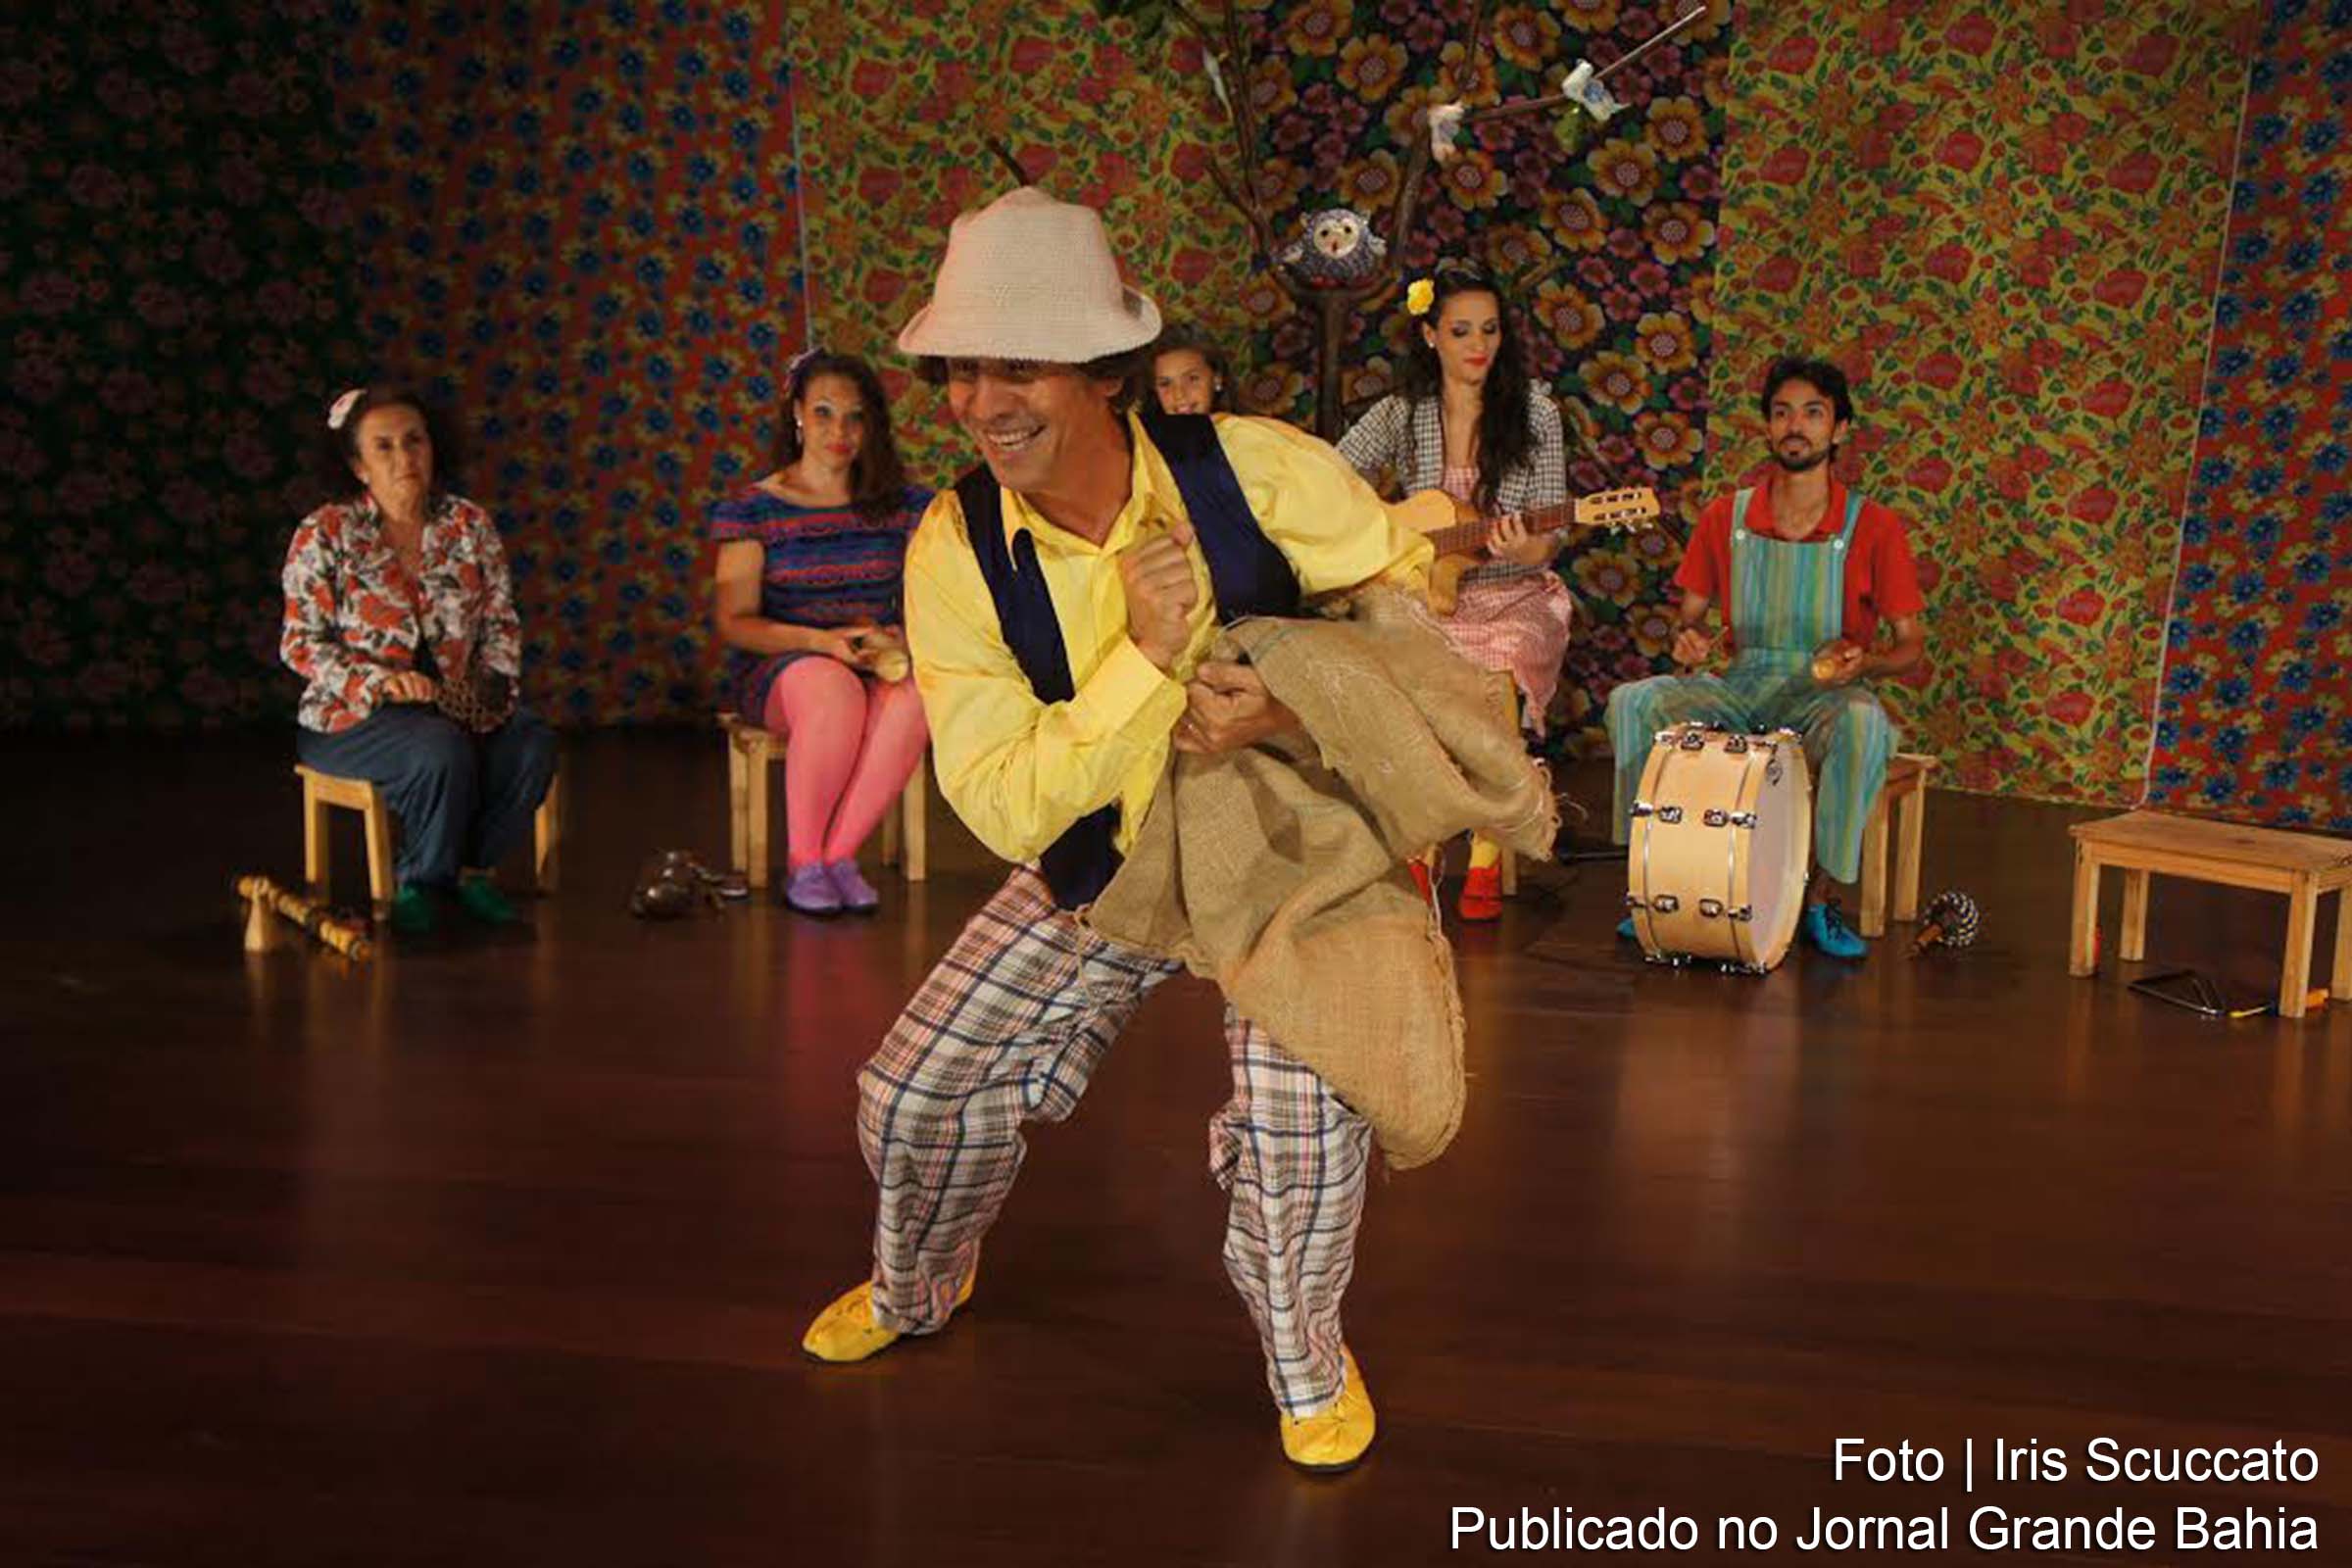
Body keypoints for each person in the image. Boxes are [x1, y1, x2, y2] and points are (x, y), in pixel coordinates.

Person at [798, 187, 1436, 1474]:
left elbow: (1410, 610)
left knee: (1301, 1133)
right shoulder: (954, 550)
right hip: (1114, 850)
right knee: (916, 1093)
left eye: (1016, 365)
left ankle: (1307, 1354)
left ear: (1106, 375)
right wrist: (1144, 665)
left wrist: (1302, 696)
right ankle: (922, 1284)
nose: (982, 401)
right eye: (962, 371)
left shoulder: (1249, 469)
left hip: (1289, 846)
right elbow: (1004, 801)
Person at [1604, 357, 1926, 959]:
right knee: (1633, 702)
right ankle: (1647, 885)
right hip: (1741, 682)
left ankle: (1823, 900)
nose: (1795, 426)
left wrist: (1869, 664)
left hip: (1825, 691)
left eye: (1812, 413)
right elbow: (1690, 616)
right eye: (1781, 413)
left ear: (1841, 429)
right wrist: (1689, 638)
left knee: (1864, 724)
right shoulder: (1727, 516)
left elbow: (1911, 647)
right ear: (1767, 427)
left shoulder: (1874, 526)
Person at [1336, 259, 1576, 921]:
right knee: (1393, 673)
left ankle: (1485, 851)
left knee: (1496, 671)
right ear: (1430, 336)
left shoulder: (1535, 413)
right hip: (1427, 592)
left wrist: (1530, 544)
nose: (1478, 347)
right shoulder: (1402, 413)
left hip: (1511, 592)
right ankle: (1417, 838)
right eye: (1462, 331)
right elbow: (1330, 476)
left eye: (1490, 331)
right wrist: (1384, 531)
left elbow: (1549, 526)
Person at [281, 382, 558, 936]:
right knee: (440, 748)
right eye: (383, 446)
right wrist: (377, 682)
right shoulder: (325, 533)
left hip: (452, 707)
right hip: (351, 718)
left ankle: (471, 871)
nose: (404, 457)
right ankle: (421, 881)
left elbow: (501, 621)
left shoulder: (469, 525)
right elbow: (301, 642)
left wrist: (492, 687)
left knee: (530, 740)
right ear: (358, 466)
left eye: (414, 441)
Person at [710, 351, 930, 915]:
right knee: (830, 689)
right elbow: (735, 623)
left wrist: (898, 635)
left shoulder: (904, 505)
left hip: (869, 658)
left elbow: (931, 598)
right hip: (785, 667)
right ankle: (804, 860)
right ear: (799, 414)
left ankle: (838, 855)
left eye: (855, 417)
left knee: (919, 696)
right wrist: (820, 644)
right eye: (826, 413)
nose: (841, 431)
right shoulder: (754, 508)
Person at [1146, 321, 1235, 416]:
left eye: (1192, 379)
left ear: (1217, 379)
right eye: (1165, 384)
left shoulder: (1246, 429)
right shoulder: (1139, 429)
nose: (1179, 395)